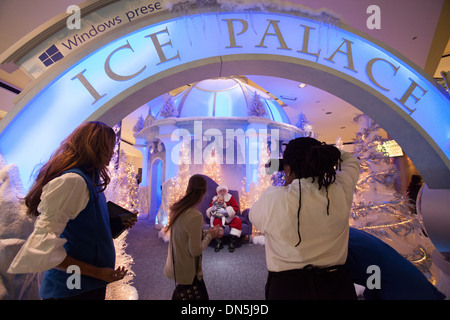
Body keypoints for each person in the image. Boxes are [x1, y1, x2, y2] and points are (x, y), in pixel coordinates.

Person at [8, 121, 136, 300]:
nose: (112, 152)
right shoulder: (73, 181)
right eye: (109, 146)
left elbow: (82, 226)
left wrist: (115, 224)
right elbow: (44, 248)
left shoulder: (92, 178)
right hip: (72, 287)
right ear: (95, 147)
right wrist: (98, 273)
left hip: (88, 285)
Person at [250, 137, 360, 300]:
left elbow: (254, 217)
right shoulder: (341, 188)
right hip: (336, 286)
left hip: (288, 289)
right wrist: (322, 154)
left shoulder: (274, 198)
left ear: (287, 168)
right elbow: (351, 161)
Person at [164, 174, 223, 300]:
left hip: (176, 265)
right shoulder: (195, 215)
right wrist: (210, 236)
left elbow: (186, 235)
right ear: (204, 192)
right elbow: (195, 250)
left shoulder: (178, 209)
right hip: (189, 273)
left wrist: (208, 233)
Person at [346, 227, 445, 300]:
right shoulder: (348, 235)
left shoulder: (341, 244)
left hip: (403, 292)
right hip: (414, 287)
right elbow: (375, 273)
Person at [206, 185, 242, 252]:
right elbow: (211, 208)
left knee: (237, 221)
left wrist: (227, 211)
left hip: (229, 216)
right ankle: (218, 242)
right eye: (220, 191)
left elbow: (236, 207)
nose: (222, 192)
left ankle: (232, 242)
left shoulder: (230, 197)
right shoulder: (215, 198)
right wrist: (215, 210)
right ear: (218, 192)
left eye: (224, 191)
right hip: (219, 216)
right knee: (216, 222)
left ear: (226, 191)